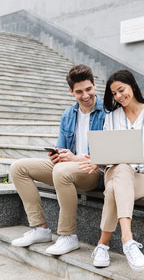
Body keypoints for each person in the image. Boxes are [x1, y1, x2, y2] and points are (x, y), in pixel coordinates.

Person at [10, 64, 106, 255]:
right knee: (17, 167)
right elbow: (62, 148)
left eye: (88, 89)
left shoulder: (108, 112)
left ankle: (68, 236)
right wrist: (57, 156)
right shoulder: (68, 115)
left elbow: (107, 156)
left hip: (95, 171)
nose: (85, 95)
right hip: (68, 168)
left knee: (62, 171)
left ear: (95, 85)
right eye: (79, 92)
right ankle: (40, 228)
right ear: (71, 92)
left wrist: (74, 159)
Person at [79, 70, 144, 272]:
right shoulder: (111, 118)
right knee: (121, 169)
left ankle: (102, 245)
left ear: (132, 86)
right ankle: (128, 240)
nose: (119, 96)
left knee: (113, 190)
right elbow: (107, 152)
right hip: (117, 171)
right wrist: (98, 160)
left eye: (121, 90)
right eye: (114, 94)